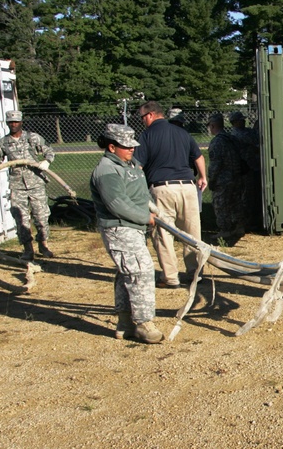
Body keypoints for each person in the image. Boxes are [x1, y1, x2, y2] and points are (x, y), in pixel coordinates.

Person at [89, 123, 163, 344]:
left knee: (127, 273)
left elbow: (138, 191)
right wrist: (145, 218)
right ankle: (144, 323)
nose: (131, 149)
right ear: (111, 147)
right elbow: (117, 204)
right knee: (141, 271)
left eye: (132, 145)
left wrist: (151, 206)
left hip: (134, 227)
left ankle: (125, 323)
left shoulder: (129, 164)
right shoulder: (106, 171)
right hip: (119, 227)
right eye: (125, 146)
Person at [133, 101, 207, 289]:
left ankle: (171, 277)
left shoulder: (147, 135)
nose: (142, 121)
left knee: (163, 233)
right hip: (188, 187)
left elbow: (138, 165)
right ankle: (196, 273)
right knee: (192, 233)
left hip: (162, 188)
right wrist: (202, 177)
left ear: (150, 115)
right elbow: (198, 157)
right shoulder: (182, 133)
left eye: (142, 117)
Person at [0, 109, 56, 261]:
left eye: (16, 122)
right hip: (17, 186)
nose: (13, 125)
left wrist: (46, 161)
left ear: (21, 122)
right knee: (21, 219)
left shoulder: (32, 138)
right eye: (11, 122)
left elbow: (49, 151)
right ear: (7, 123)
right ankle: (27, 249)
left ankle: (43, 244)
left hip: (36, 183)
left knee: (41, 217)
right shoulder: (2, 143)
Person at [207, 113, 250, 244]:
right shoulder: (231, 138)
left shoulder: (217, 142)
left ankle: (224, 229)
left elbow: (216, 164)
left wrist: (212, 180)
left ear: (213, 125)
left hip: (223, 179)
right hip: (237, 176)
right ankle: (239, 227)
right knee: (236, 203)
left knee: (221, 205)